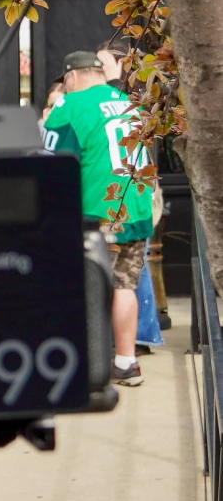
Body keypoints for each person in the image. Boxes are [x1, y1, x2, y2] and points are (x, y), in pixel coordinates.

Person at [42, 50, 154, 387]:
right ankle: (126, 362)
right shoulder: (127, 101)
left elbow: (52, 165)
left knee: (85, 286)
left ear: (72, 78)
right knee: (124, 286)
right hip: (134, 208)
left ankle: (84, 365)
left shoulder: (69, 106)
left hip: (96, 214)